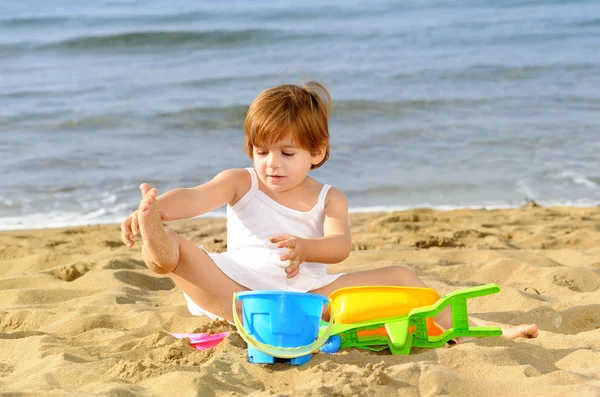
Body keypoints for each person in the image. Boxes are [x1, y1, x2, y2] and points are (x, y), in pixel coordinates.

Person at [120, 81, 538, 340]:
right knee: (182, 252)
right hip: (239, 289)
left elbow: (339, 247)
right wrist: (157, 209)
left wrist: (306, 247)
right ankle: (157, 241)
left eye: (287, 152)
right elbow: (195, 197)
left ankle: (486, 330)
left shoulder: (329, 197)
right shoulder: (240, 181)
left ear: (316, 152)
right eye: (261, 151)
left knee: (404, 278)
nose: (272, 163)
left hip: (308, 296)